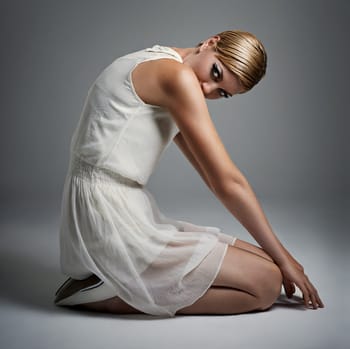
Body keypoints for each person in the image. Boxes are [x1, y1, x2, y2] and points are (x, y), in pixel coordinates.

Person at [54, 30, 324, 317]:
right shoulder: (177, 77)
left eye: (222, 93)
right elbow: (227, 182)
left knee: (266, 264)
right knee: (266, 286)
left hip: (107, 205)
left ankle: (112, 280)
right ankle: (108, 296)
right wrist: (287, 259)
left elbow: (211, 176)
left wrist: (279, 260)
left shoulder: (157, 60)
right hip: (107, 216)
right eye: (215, 72)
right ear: (211, 42)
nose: (207, 89)